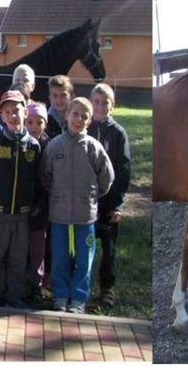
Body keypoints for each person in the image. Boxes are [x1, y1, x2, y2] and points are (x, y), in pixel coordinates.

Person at [40, 97, 114, 313]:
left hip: (85, 216)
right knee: (60, 257)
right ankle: (60, 296)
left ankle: (79, 298)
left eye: (84, 116)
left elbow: (106, 178)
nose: (78, 119)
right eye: (75, 114)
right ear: (67, 115)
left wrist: (92, 195)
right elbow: (45, 175)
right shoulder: (54, 147)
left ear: (89, 121)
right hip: (59, 216)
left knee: (84, 260)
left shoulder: (93, 147)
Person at [0, 90, 41, 308]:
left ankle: (14, 295)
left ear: (25, 112)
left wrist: (35, 203)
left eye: (16, 110)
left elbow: (38, 177)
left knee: (18, 257)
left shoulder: (33, 146)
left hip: (23, 212)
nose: (12, 116)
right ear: (2, 116)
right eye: (7, 112)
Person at [89, 83, 131, 309]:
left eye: (105, 102)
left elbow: (124, 171)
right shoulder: (83, 128)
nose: (100, 106)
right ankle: (82, 285)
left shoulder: (118, 133)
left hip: (108, 204)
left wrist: (117, 204)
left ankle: (107, 287)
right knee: (85, 246)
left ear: (112, 105)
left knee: (109, 248)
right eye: (96, 101)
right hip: (86, 202)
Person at [24, 101, 50, 305]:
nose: (34, 126)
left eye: (38, 122)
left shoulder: (49, 147)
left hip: (40, 210)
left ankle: (35, 285)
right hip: (21, 207)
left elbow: (49, 179)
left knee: (37, 250)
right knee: (20, 248)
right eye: (30, 121)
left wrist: (40, 204)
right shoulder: (20, 143)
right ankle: (20, 283)